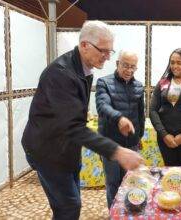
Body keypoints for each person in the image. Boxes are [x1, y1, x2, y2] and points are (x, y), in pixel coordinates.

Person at [21, 21, 143, 220]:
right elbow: (73, 127)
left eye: (109, 51)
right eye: (103, 50)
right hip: (47, 149)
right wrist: (117, 151)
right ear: (85, 45)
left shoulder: (82, 69)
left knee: (70, 203)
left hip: (66, 148)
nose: (107, 56)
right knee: (69, 207)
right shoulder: (61, 74)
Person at [95, 50, 145, 209]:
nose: (129, 70)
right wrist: (119, 118)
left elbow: (140, 115)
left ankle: (129, 213)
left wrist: (139, 137)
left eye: (133, 67)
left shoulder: (138, 86)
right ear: (117, 64)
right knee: (113, 183)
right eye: (125, 65)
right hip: (110, 144)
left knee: (131, 182)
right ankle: (114, 214)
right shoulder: (104, 82)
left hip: (131, 144)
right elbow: (102, 106)